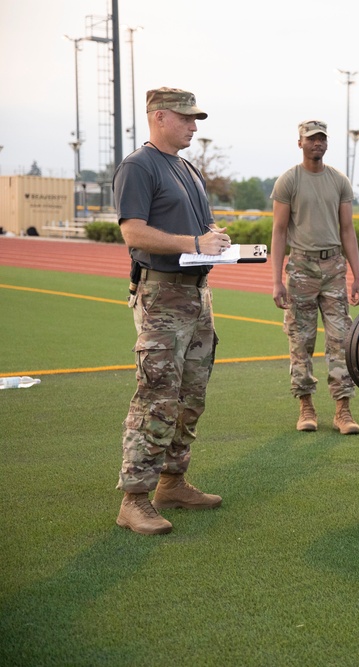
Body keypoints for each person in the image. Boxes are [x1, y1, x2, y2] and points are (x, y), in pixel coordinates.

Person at [113, 87, 230, 536]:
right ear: (159, 117)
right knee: (156, 395)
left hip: (197, 296)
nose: (193, 126)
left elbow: (199, 229)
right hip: (162, 297)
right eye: (185, 118)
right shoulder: (139, 167)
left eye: (195, 118)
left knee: (191, 396)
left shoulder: (186, 168)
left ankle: (172, 481)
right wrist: (193, 244)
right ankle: (134, 499)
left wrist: (217, 240)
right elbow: (134, 233)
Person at [270, 120, 359, 434]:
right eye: (311, 139)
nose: (317, 143)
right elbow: (279, 231)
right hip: (301, 269)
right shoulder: (289, 181)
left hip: (334, 268)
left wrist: (357, 276)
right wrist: (276, 280)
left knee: (341, 340)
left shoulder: (339, 181)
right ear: (300, 143)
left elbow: (348, 230)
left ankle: (343, 411)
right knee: (301, 341)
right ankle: (306, 407)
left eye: (322, 138)